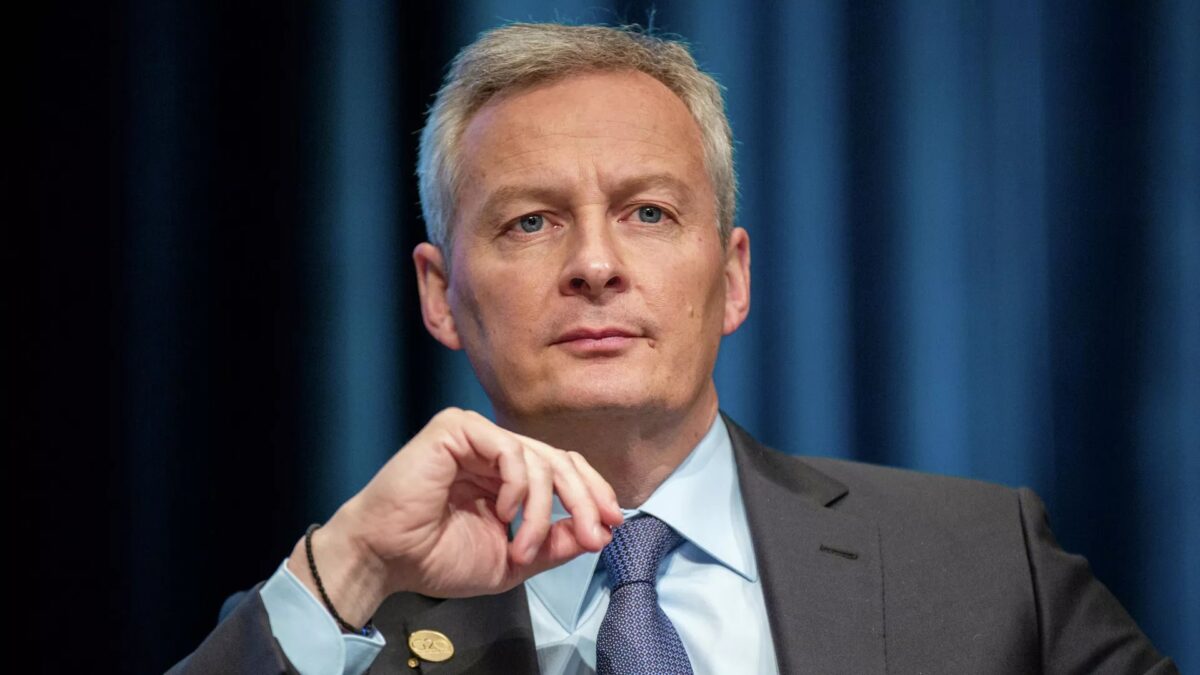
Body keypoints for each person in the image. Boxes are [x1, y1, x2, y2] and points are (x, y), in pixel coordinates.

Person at [170, 23, 1175, 675]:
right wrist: (350, 563)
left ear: (732, 276)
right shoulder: (341, 617)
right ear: (440, 295)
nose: (594, 265)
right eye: (530, 222)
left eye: (648, 213)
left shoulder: (982, 563)